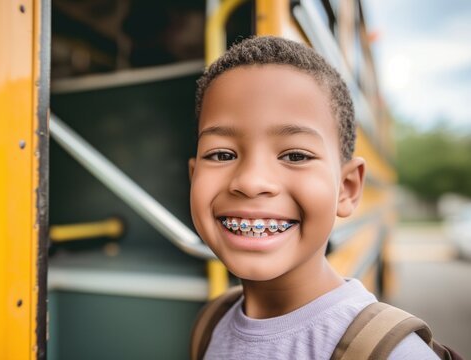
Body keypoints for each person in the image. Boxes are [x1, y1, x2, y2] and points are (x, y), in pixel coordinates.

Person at [188, 36, 439, 359]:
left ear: (346, 188)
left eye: (295, 156)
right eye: (222, 154)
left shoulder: (393, 353)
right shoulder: (211, 325)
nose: (251, 182)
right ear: (193, 177)